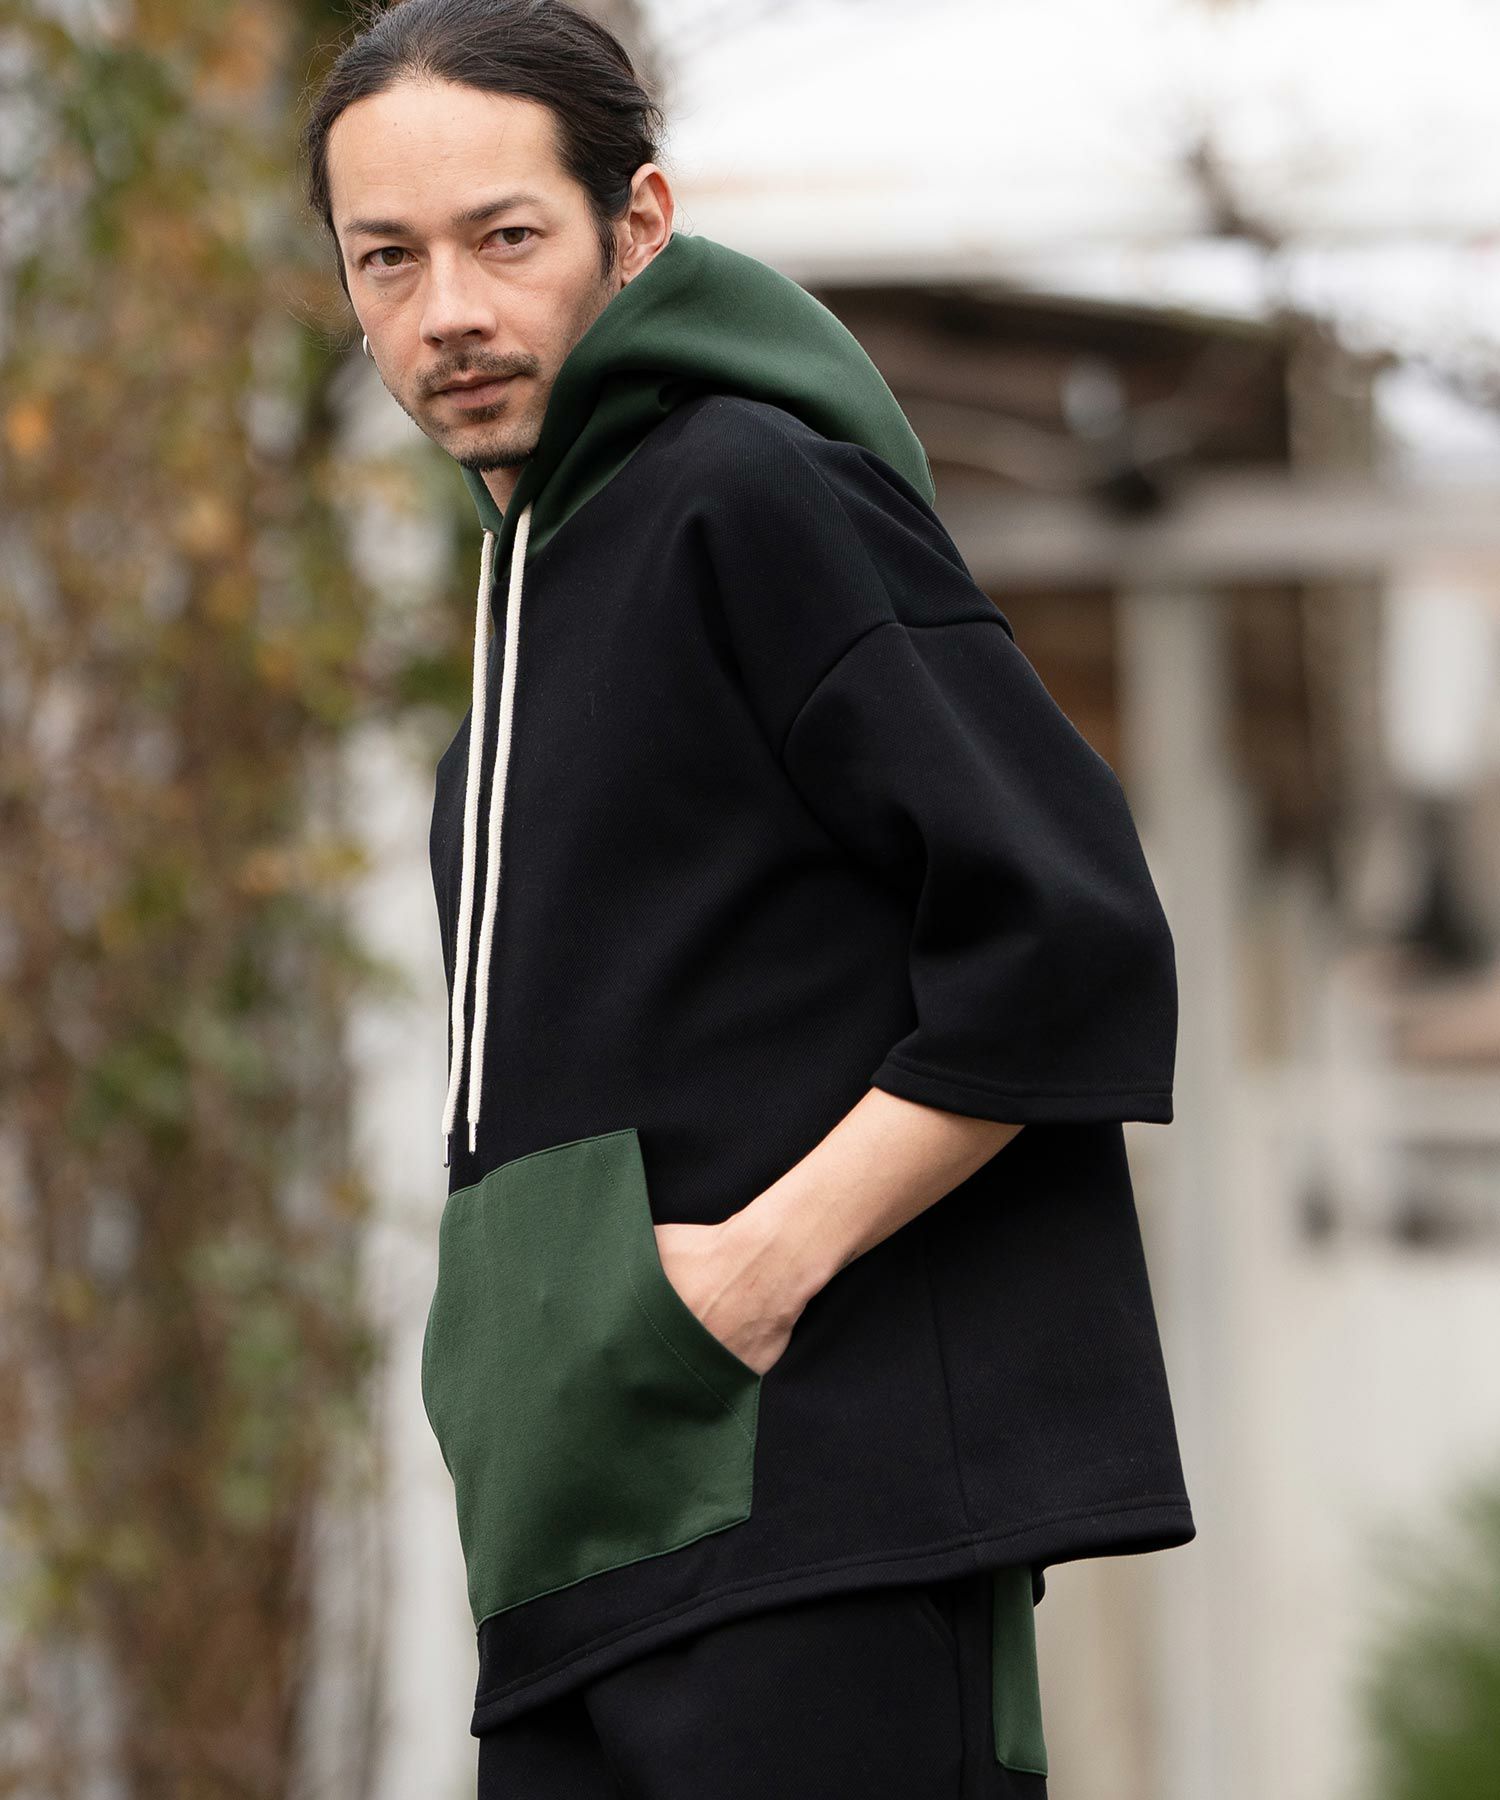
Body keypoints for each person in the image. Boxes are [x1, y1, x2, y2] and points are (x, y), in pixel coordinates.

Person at [300, 3, 1195, 1793]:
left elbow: (1070, 930)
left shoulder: (752, 492)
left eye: (504, 238)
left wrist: (760, 1268)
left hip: (811, 1534)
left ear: (636, 225)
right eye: (387, 259)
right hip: (585, 1557)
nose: (448, 310)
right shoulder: (534, 606)